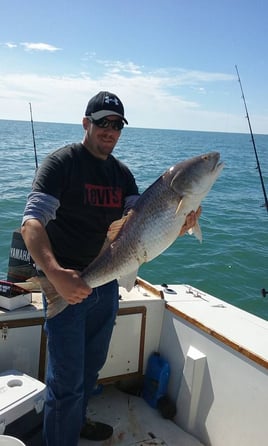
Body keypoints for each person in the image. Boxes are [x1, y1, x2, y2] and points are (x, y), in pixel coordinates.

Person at [21, 91, 200, 446]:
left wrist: (179, 223)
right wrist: (56, 275)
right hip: (67, 283)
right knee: (66, 380)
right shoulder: (62, 163)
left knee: (90, 372)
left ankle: (78, 420)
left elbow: (144, 225)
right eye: (102, 122)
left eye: (117, 124)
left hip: (104, 284)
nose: (110, 130)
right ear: (86, 123)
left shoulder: (122, 175)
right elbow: (31, 224)